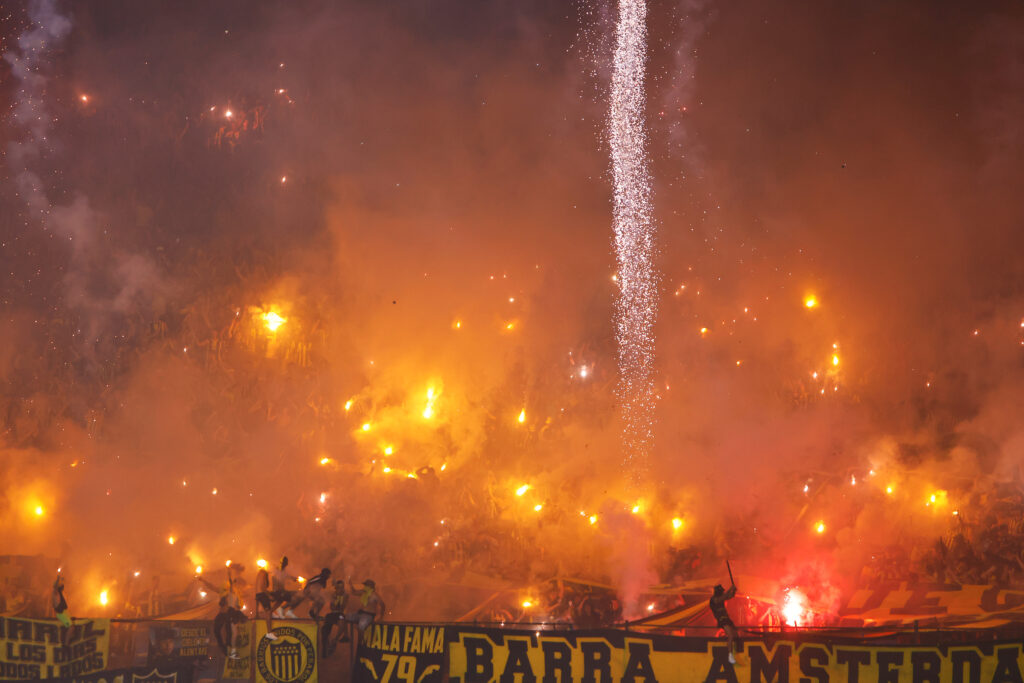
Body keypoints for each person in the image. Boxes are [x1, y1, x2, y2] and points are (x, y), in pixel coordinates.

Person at [709, 583, 739, 664]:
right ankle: (730, 655)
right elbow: (724, 597)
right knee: (731, 635)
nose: (723, 593)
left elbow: (729, 596)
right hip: (722, 620)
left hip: (727, 619)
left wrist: (734, 591)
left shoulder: (720, 598)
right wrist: (731, 588)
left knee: (736, 635)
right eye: (721, 591)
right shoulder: (713, 599)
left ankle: (735, 653)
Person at [321, 579, 350, 656]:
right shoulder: (333, 594)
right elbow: (332, 607)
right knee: (324, 630)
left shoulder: (345, 595)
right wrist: (335, 599)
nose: (340, 589)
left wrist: (338, 599)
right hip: (332, 614)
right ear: (336, 588)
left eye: (342, 587)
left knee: (342, 619)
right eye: (338, 587)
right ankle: (326, 646)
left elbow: (342, 607)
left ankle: (335, 640)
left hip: (340, 614)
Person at [254, 564, 278, 641]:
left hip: (258, 594)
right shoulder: (264, 573)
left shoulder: (260, 573)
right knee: (268, 612)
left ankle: (272, 613)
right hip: (261, 594)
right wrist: (269, 595)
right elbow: (263, 587)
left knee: (269, 610)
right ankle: (269, 633)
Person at [51, 575, 72, 647]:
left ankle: (66, 641)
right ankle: (66, 645)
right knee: (70, 627)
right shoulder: (55, 593)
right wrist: (57, 579)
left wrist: (63, 580)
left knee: (71, 626)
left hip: (64, 613)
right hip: (60, 614)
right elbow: (55, 587)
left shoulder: (61, 593)